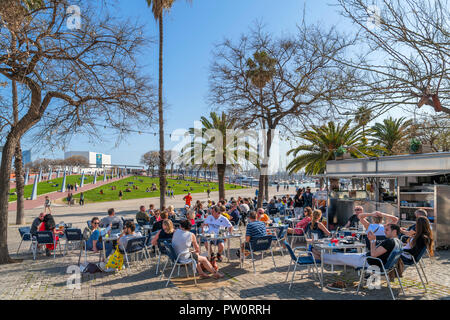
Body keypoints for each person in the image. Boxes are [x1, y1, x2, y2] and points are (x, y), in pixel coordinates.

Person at [312, 224, 403, 270]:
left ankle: (320, 256)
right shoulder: (398, 242)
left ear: (394, 232)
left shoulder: (390, 242)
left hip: (369, 262)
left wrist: (373, 240)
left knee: (341, 257)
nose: (384, 231)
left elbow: (374, 254)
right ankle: (321, 256)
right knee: (341, 257)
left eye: (387, 230)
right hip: (370, 260)